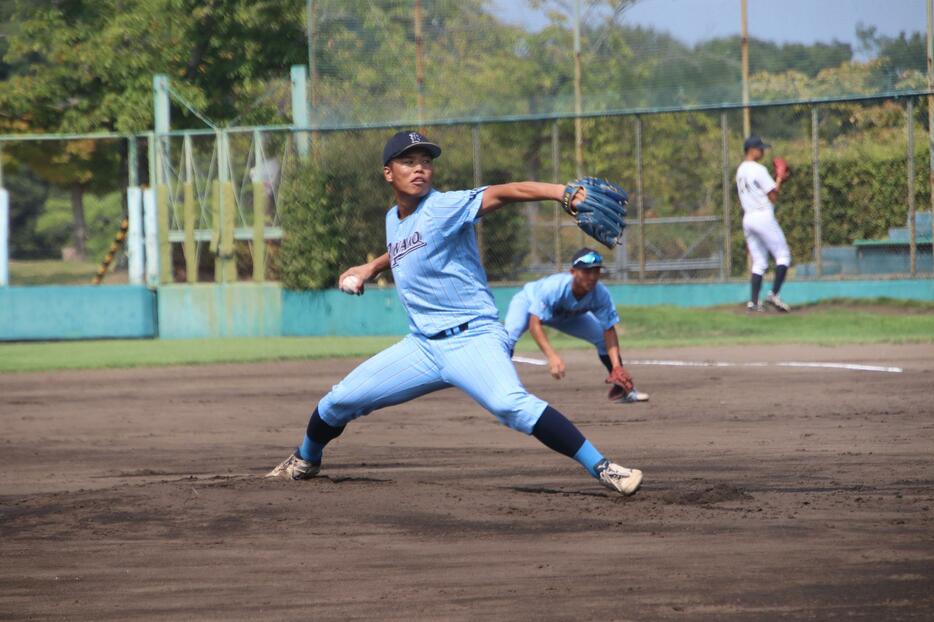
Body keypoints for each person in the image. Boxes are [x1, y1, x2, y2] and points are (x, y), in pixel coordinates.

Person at [267, 130, 643, 496]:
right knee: (338, 400)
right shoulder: (392, 219)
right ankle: (306, 460)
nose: (419, 169)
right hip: (422, 347)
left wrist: (561, 193)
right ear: (388, 173)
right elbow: (404, 248)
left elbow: (504, 193)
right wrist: (370, 269)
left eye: (426, 162)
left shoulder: (443, 206)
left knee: (510, 404)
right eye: (408, 162)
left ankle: (604, 467)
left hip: (472, 338)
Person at [503, 247, 649, 403]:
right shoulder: (554, 288)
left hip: (567, 315)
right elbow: (534, 325)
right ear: (572, 272)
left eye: (596, 271)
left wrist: (616, 366)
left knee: (601, 339)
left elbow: (609, 329)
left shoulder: (600, 294)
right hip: (528, 303)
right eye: (586, 272)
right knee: (508, 337)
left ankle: (623, 390)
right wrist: (552, 357)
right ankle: (501, 388)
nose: (592, 277)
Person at [736, 135, 792, 312]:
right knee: (783, 255)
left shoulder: (740, 170)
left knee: (759, 262)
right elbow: (773, 196)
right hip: (762, 215)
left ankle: (753, 302)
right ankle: (773, 295)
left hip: (748, 218)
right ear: (751, 150)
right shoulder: (758, 169)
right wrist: (780, 178)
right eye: (760, 148)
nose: (762, 151)